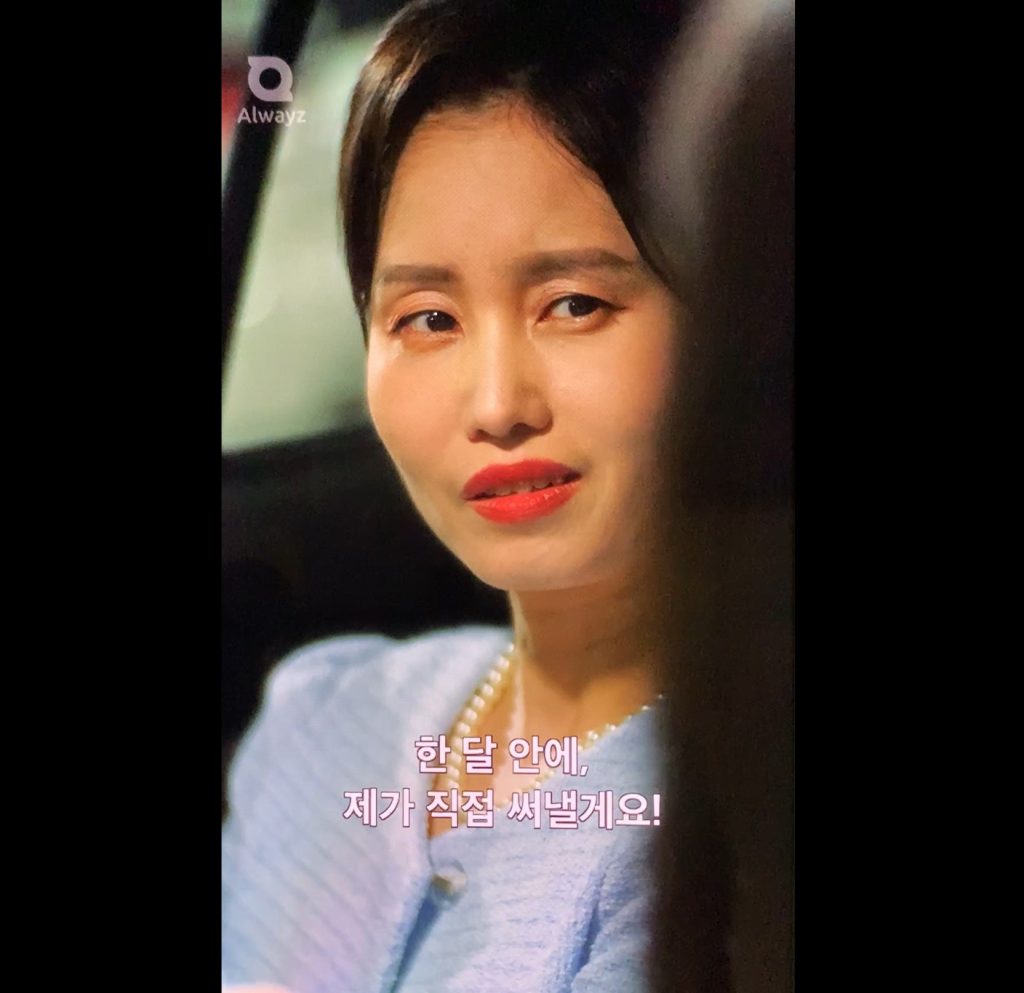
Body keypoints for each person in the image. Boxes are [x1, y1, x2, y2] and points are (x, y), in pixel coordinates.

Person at [221, 1, 691, 990]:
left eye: (574, 304)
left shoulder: (724, 827)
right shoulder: (325, 717)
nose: (496, 405)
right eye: (427, 319)